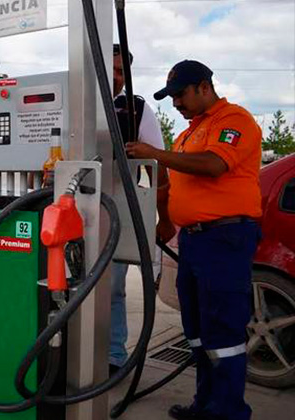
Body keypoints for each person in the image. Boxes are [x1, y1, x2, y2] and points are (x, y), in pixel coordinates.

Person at [127, 60, 262, 420]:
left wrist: (154, 153)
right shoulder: (189, 133)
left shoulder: (234, 120)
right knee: (198, 331)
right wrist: (166, 219)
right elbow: (175, 182)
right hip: (194, 240)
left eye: (180, 94)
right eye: (171, 97)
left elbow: (214, 165)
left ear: (204, 87)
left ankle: (229, 412)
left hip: (225, 237)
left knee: (224, 332)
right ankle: (206, 405)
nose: (175, 103)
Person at [109, 44, 175, 374]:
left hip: (119, 210)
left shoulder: (136, 109)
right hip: (69, 210)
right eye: (113, 69)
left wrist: (160, 213)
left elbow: (156, 165)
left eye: (123, 72)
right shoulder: (71, 101)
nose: (117, 78)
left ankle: (112, 356)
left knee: (112, 287)